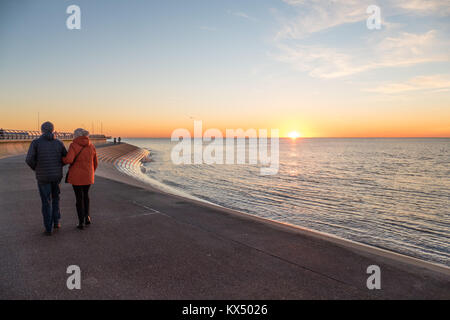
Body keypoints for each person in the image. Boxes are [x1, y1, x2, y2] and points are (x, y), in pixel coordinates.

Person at [26, 122, 67, 235]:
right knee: (56, 199)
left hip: (43, 177)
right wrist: (58, 167)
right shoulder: (59, 142)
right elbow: (65, 157)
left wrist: (36, 168)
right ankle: (56, 222)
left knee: (46, 202)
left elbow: (29, 159)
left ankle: (48, 228)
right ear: (53, 130)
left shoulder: (36, 143)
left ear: (42, 130)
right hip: (56, 176)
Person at [63, 128, 98, 229]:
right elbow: (95, 163)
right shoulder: (91, 146)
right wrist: (91, 172)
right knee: (86, 196)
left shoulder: (74, 145)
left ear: (76, 135)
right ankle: (87, 217)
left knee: (79, 198)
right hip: (88, 175)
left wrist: (62, 159)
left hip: (76, 177)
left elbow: (69, 160)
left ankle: (81, 222)